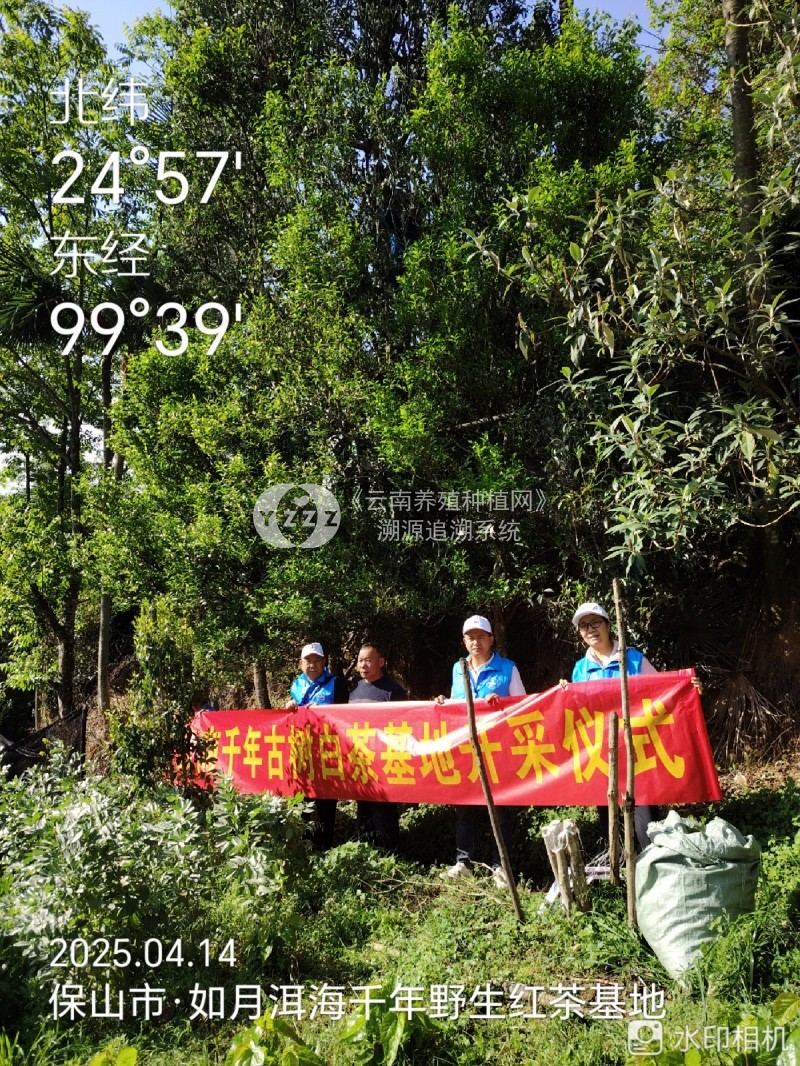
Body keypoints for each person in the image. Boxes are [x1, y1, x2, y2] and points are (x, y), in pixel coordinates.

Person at [561, 601, 659, 851]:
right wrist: (564, 693)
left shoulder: (633, 659)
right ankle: (619, 864)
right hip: (600, 753)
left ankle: (652, 862)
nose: (590, 629)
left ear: (608, 625)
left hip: (636, 750)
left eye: (595, 622)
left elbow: (661, 690)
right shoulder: (581, 668)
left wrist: (687, 687)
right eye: (584, 626)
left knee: (644, 816)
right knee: (609, 813)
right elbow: (577, 710)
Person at [437, 614, 526, 889]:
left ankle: (501, 866)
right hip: (466, 747)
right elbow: (457, 703)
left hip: (499, 749)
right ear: (464, 641)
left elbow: (523, 706)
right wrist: (444, 701)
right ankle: (464, 862)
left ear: (491, 639)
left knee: (500, 808)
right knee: (464, 806)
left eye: (481, 637)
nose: (475, 642)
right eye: (470, 637)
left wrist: (501, 704)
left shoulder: (508, 668)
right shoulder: (458, 668)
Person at [288, 642, 349, 850]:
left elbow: (347, 714)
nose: (312, 665)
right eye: (308, 661)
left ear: (324, 662)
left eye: (317, 661)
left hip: (328, 750)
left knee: (326, 800)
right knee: (302, 798)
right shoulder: (296, 685)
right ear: (300, 664)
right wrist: (290, 708)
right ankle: (303, 842)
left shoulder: (336, 683)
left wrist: (323, 711)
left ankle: (325, 845)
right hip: (302, 750)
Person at [349, 643, 408, 853]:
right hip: (361, 760)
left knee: (383, 811)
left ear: (381, 662)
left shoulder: (393, 690)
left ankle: (390, 854)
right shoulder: (354, 690)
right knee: (363, 809)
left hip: (385, 761)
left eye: (368, 660)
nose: (363, 665)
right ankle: (365, 854)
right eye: (360, 661)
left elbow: (404, 725)